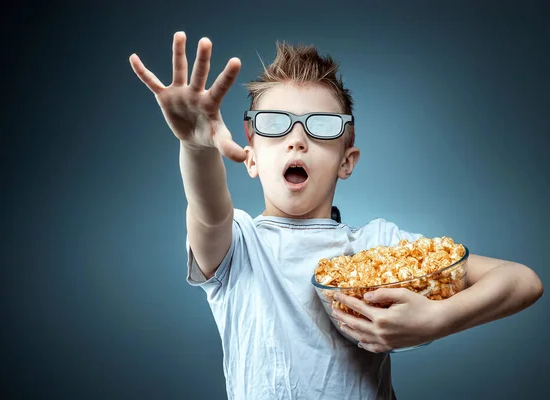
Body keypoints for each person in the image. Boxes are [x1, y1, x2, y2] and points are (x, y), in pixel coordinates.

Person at [129, 31, 544, 399]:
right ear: (251, 156)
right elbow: (207, 211)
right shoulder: (237, 246)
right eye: (276, 124)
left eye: (321, 126)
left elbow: (522, 281)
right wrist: (197, 147)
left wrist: (437, 319)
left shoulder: (375, 248)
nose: (297, 139)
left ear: (347, 161)